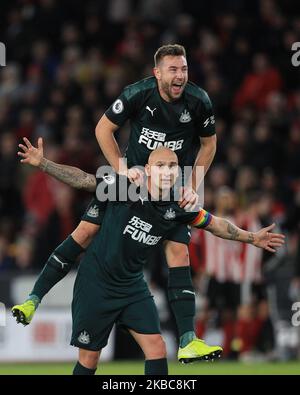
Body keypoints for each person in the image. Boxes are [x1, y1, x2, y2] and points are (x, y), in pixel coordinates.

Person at [14, 43, 218, 361]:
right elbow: (103, 128)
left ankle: (189, 338)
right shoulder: (138, 93)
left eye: (185, 69)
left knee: (178, 251)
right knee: (84, 234)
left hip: (172, 185)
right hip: (133, 183)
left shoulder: (199, 101)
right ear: (157, 73)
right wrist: (121, 169)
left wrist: (193, 185)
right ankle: (34, 298)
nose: (181, 76)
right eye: (174, 69)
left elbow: (209, 145)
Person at [13, 147, 285, 375]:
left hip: (132, 286)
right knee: (89, 359)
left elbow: (215, 224)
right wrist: (44, 164)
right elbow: (83, 179)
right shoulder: (124, 188)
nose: (167, 171)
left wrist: (252, 238)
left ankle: (186, 340)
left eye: (172, 166)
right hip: (96, 283)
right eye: (161, 166)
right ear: (149, 170)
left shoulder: (178, 205)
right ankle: (34, 299)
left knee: (157, 347)